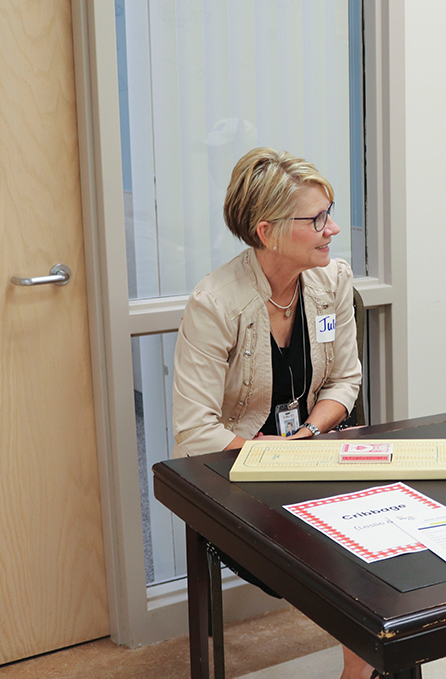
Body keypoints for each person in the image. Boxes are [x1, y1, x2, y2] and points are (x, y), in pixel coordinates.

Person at [172, 147, 372, 679]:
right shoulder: (214, 304)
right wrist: (275, 455)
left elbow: (344, 379)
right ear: (268, 232)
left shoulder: (332, 282)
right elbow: (196, 434)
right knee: (338, 559)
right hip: (236, 477)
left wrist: (305, 437)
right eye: (317, 219)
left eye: (330, 213)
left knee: (381, 538)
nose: (332, 229)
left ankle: (368, 667)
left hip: (309, 457)